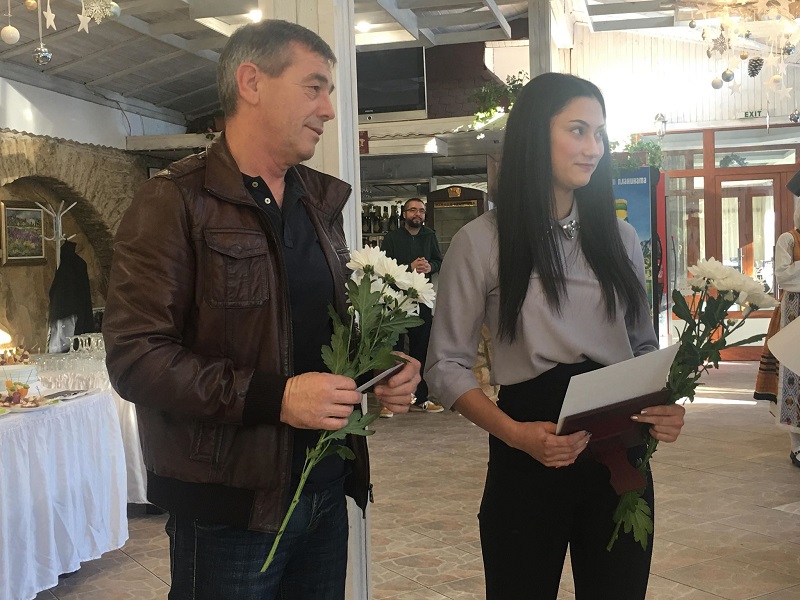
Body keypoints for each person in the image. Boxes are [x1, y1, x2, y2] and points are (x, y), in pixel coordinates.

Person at [102, 20, 420, 600]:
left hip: (324, 487)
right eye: (314, 87)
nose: (329, 109)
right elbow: (136, 358)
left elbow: (311, 333)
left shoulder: (318, 203)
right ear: (251, 82)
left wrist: (378, 371)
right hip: (229, 509)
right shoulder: (174, 200)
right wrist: (278, 398)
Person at [425, 73, 686, 600]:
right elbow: (444, 366)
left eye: (600, 133)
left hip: (617, 446)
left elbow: (641, 345)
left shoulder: (620, 238)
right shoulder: (482, 242)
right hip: (528, 441)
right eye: (578, 130)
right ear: (533, 134)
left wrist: (664, 404)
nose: (594, 148)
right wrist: (516, 435)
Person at [380, 198, 444, 416]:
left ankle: (422, 398)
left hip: (422, 300)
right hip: (396, 302)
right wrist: (409, 267)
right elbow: (384, 268)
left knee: (421, 351)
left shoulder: (430, 235)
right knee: (395, 352)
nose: (418, 214)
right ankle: (389, 402)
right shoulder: (392, 238)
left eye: (421, 211)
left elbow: (438, 261)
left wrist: (429, 266)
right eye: (413, 210)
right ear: (404, 214)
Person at [755, 202, 800, 467]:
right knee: (794, 375)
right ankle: (797, 446)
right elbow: (784, 277)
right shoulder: (788, 239)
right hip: (793, 314)